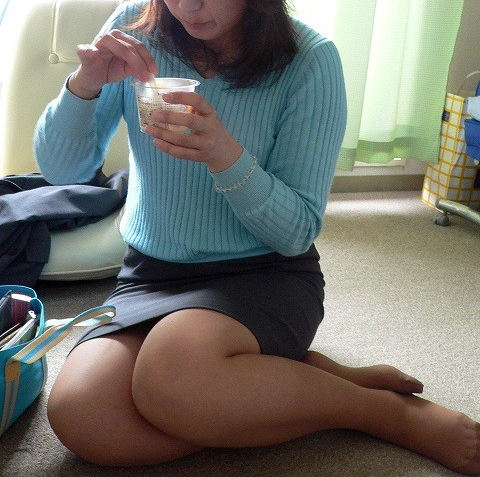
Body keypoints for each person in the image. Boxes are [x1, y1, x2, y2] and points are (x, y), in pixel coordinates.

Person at [35, 0, 479, 474]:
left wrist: (224, 155)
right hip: (150, 273)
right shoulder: (135, 26)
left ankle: (379, 412)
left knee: (171, 378)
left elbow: (297, 231)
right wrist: (84, 86)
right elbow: (65, 172)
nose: (188, 6)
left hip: (261, 272)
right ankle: (276, 381)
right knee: (81, 415)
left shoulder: (310, 60)